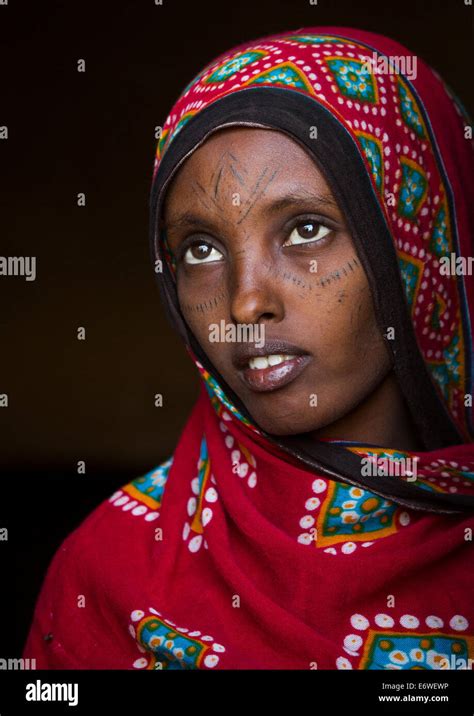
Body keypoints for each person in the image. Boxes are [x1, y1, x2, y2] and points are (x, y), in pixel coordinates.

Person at [23, 26, 474, 670]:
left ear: (416, 246)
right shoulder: (111, 577)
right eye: (201, 249)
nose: (244, 304)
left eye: (306, 230)